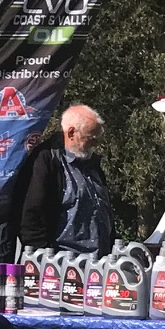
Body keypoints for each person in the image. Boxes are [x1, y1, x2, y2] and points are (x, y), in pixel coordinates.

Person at [17, 103, 114, 255]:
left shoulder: (91, 164)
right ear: (71, 133)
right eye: (91, 138)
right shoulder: (47, 161)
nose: (96, 144)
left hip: (100, 262)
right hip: (63, 262)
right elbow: (31, 218)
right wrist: (44, 259)